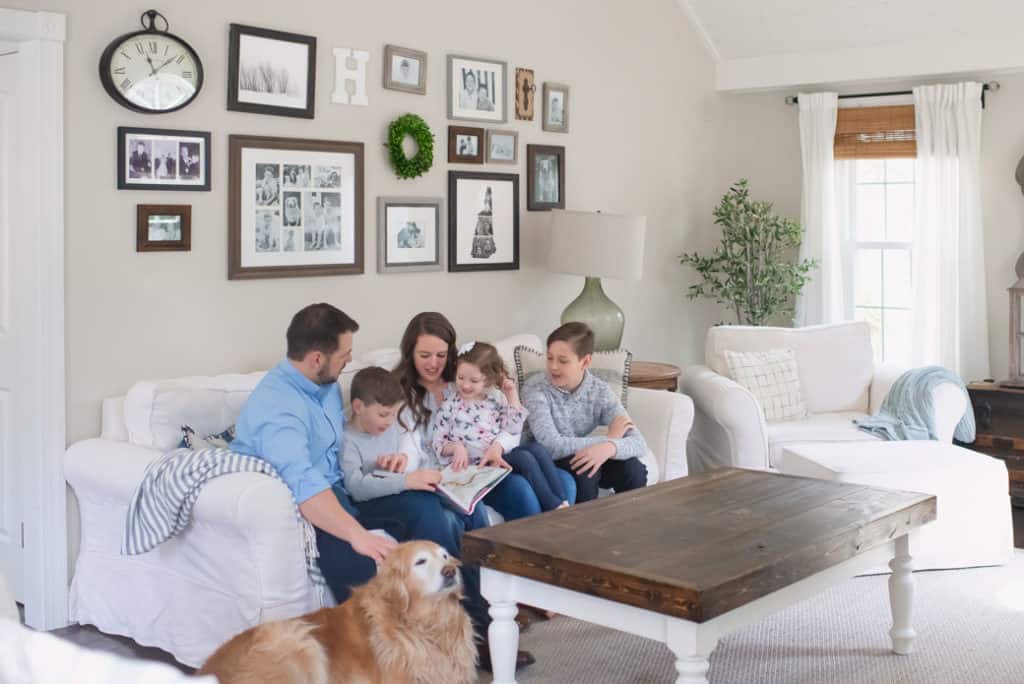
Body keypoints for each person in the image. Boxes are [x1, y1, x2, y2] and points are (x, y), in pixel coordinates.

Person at [229, 304, 515, 670]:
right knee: (369, 565)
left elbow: (357, 442)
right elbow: (305, 485)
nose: (349, 361)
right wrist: (357, 535)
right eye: (344, 354)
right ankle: (404, 661)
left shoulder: (323, 384)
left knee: (434, 511)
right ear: (317, 357)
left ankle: (478, 632)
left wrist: (389, 464)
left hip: (349, 488)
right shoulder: (280, 408)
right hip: (319, 506)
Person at [393, 312, 576, 522]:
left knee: (566, 480)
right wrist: (406, 468)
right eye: (424, 355)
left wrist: (497, 447)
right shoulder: (404, 397)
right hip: (460, 472)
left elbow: (510, 428)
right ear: (410, 353)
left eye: (441, 355)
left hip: (495, 458)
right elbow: (410, 447)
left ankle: (562, 531)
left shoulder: (471, 378)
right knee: (521, 490)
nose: (433, 363)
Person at [433, 342, 569, 512]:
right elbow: (438, 443)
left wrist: (511, 395)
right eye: (460, 378)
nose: (465, 385)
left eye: (474, 380)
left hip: (500, 456)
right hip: (478, 466)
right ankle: (553, 505)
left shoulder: (494, 399)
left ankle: (563, 504)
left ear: (488, 379)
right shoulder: (450, 406)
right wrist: (456, 447)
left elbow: (512, 428)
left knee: (537, 449)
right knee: (524, 459)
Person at [522, 322, 648, 503]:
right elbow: (551, 445)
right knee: (586, 469)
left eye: (563, 360)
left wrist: (608, 447)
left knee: (633, 468)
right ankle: (583, 530)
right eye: (550, 358)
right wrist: (609, 439)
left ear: (585, 361)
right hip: (544, 459)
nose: (553, 367)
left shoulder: (600, 391)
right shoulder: (535, 388)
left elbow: (639, 443)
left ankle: (627, 526)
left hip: (580, 452)